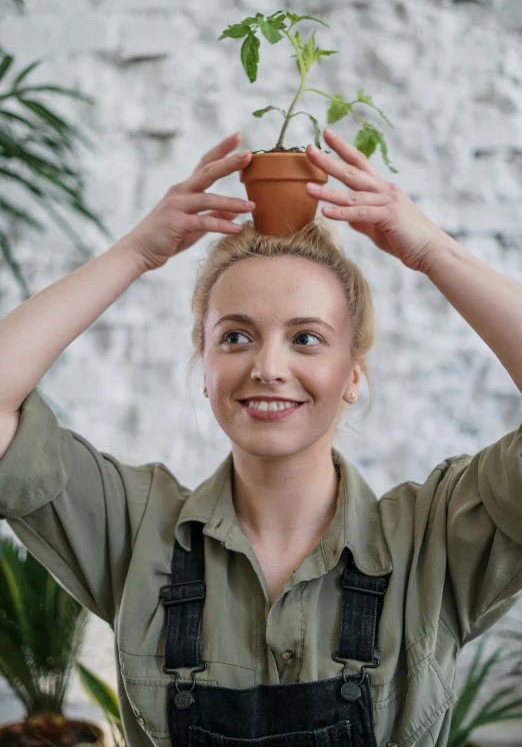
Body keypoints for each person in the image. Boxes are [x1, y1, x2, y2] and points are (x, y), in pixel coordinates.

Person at [0, 128, 521, 747]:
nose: (268, 366)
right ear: (205, 365)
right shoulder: (137, 530)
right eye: (236, 336)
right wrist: (137, 252)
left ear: (353, 374)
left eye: (305, 338)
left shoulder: (433, 542)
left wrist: (432, 251)